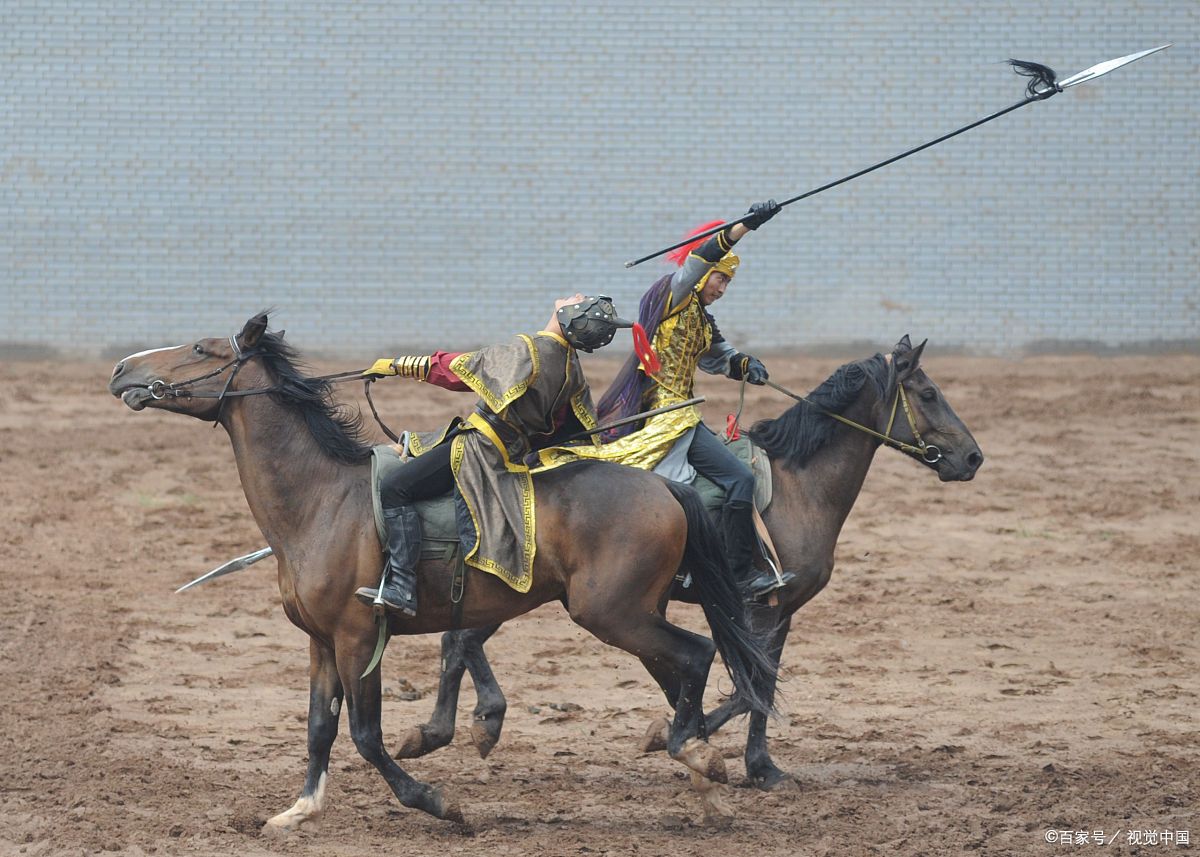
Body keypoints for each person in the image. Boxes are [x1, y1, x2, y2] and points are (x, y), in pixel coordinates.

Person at [541, 201, 793, 597]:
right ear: (705, 273)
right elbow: (697, 259)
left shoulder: (700, 318)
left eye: (727, 284)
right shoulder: (673, 295)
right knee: (701, 490)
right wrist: (745, 226)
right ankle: (710, 571)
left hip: (686, 418)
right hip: (665, 419)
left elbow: (719, 358)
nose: (722, 290)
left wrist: (746, 366)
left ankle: (734, 570)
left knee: (735, 480)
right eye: (720, 280)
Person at [355, 294, 631, 616]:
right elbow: (561, 428)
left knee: (395, 488)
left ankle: (401, 585)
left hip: (478, 451)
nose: (574, 296)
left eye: (578, 299)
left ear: (571, 314)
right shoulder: (571, 369)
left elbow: (460, 369)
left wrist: (398, 365)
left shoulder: (530, 350)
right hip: (507, 452)